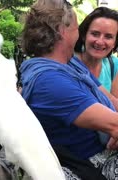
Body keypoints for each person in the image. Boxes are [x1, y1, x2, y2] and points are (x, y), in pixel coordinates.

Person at [20, 0, 118, 179]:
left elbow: (109, 99)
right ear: (62, 31)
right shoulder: (50, 81)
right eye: (76, 26)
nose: (79, 32)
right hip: (86, 164)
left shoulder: (70, 63)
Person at [74, 7, 118, 98]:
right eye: (95, 34)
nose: (100, 42)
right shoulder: (68, 61)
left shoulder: (114, 65)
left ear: (115, 43)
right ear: (83, 35)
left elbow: (115, 108)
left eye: (108, 36)